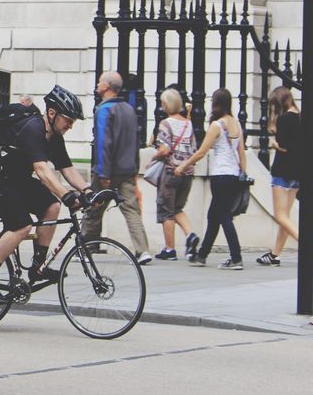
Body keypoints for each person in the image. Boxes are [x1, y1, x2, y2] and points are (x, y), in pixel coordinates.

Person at [0, 85, 92, 285]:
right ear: (52, 114)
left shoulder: (54, 137)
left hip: (15, 179)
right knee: (21, 226)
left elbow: (67, 168)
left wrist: (87, 190)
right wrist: (67, 195)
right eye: (68, 120)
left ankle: (38, 267)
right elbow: (42, 171)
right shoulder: (33, 128)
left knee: (52, 207)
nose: (70, 126)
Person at [83, 70, 152, 264]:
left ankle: (87, 245)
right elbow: (135, 141)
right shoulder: (129, 109)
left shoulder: (104, 110)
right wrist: (134, 168)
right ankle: (142, 249)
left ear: (107, 86)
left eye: (99, 83)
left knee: (94, 207)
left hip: (108, 169)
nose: (97, 86)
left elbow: (104, 141)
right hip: (127, 169)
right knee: (131, 209)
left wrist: (104, 171)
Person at [177, 88, 246, 269]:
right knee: (214, 215)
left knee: (223, 216)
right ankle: (202, 255)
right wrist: (243, 173)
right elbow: (242, 154)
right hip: (233, 176)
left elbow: (201, 151)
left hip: (220, 175)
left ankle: (236, 257)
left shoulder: (217, 125)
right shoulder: (237, 124)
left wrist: (184, 165)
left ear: (216, 103)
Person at [148, 86, 199, 260]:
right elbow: (193, 149)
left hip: (170, 171)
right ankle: (190, 234)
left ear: (165, 104)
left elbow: (164, 149)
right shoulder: (188, 124)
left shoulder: (165, 123)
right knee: (178, 208)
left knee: (166, 210)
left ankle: (169, 249)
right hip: (187, 171)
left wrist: (152, 158)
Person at [257, 86, 300, 266]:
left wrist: (274, 144)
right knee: (286, 216)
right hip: (297, 171)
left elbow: (283, 146)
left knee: (280, 216)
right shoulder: (301, 117)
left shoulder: (283, 119)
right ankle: (275, 255)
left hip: (282, 171)